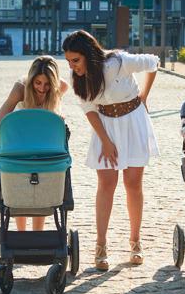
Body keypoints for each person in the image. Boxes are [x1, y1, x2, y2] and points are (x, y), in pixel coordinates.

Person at [62, 30, 159, 271]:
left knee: (133, 183)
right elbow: (89, 109)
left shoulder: (118, 62)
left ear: (87, 54)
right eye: (68, 61)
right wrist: (105, 140)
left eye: (76, 60)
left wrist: (144, 96)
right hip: (105, 126)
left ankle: (136, 242)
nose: (72, 66)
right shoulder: (79, 78)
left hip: (134, 122)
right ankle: (101, 245)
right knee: (106, 183)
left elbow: (153, 62)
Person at [0, 55, 68, 231]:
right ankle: (21, 234)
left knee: (41, 188)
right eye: (38, 83)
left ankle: (37, 236)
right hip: (19, 144)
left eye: (47, 84)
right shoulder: (20, 89)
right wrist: (10, 146)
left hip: (44, 146)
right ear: (31, 80)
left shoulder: (60, 87)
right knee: (20, 188)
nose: (42, 88)